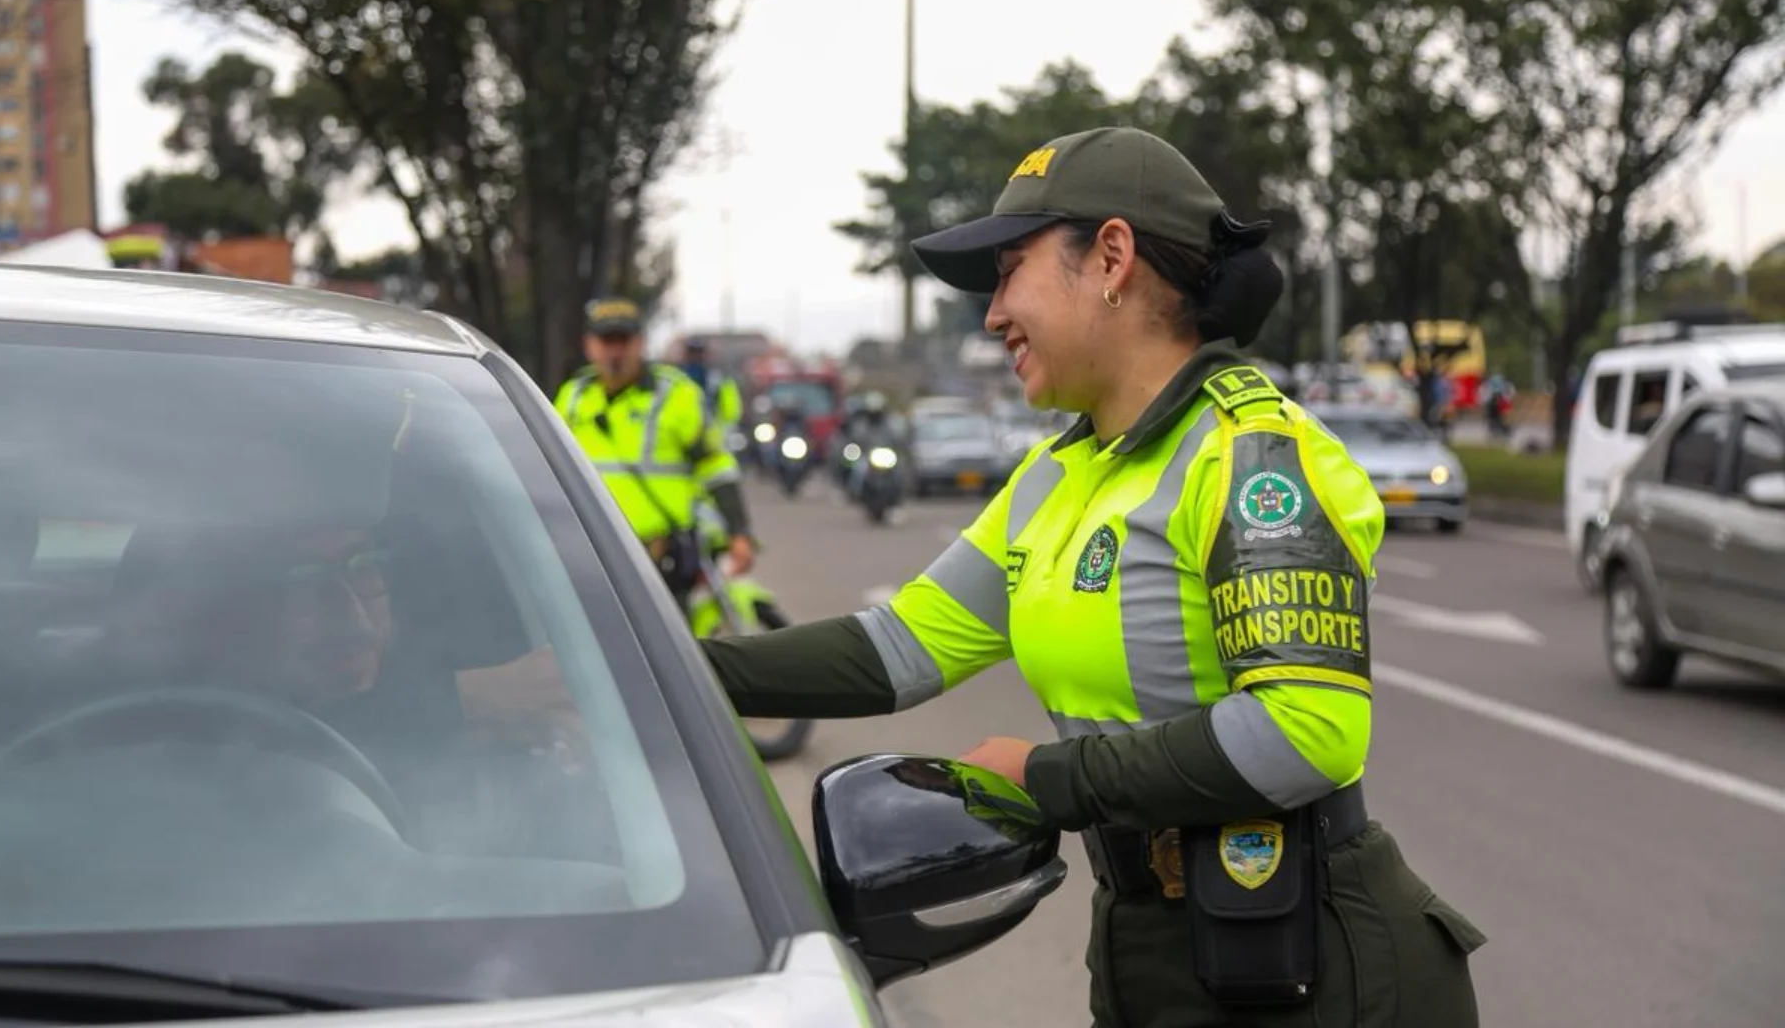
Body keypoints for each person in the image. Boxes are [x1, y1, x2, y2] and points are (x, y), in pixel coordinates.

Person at [698, 126, 1484, 1027]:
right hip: (1150, 939)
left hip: (1310, 959)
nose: (993, 315)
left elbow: (1308, 733)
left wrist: (1046, 778)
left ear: (1112, 257)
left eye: (1010, 272)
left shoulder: (1251, 455)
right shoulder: (1058, 475)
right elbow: (897, 650)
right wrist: (647, 666)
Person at [554, 297, 755, 602]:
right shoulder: (572, 397)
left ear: (640, 343)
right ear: (589, 345)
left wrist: (738, 532)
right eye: (607, 341)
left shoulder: (677, 395)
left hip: (663, 555)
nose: (615, 351)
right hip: (591, 554)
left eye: (624, 341)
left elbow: (715, 466)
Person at [677, 336, 744, 435]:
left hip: (710, 432)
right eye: (692, 353)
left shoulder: (717, 380)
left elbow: (731, 411)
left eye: (699, 353)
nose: (696, 357)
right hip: (683, 431)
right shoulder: (677, 379)